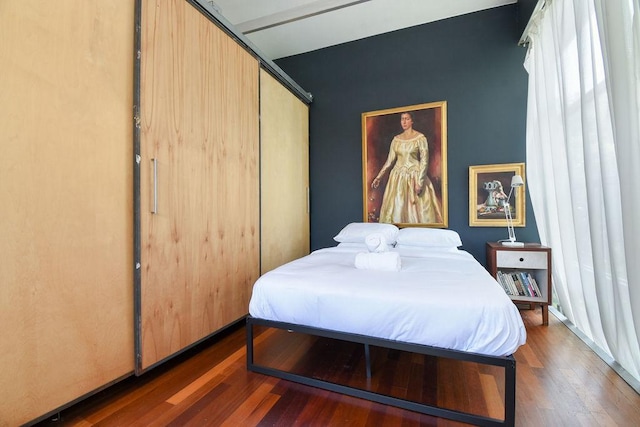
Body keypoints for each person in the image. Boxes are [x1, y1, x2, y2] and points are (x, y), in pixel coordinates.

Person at [371, 111, 443, 224]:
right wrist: (378, 177)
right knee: (397, 208)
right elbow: (390, 161)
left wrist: (420, 181)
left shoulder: (420, 138)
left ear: (412, 121)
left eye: (407, 119)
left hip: (415, 176)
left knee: (418, 211)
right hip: (397, 177)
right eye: (402, 119)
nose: (404, 122)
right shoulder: (396, 140)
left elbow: (424, 160)